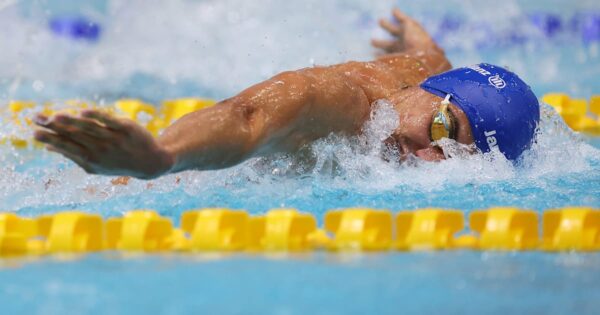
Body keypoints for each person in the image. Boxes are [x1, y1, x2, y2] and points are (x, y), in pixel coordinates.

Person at [33, 8, 540, 180]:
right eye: (440, 131)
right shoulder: (344, 103)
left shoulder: (430, 81)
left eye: (456, 155)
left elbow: (438, 64)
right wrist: (161, 158)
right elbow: (248, 115)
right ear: (428, 94)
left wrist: (422, 43)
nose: (429, 159)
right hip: (132, 176)